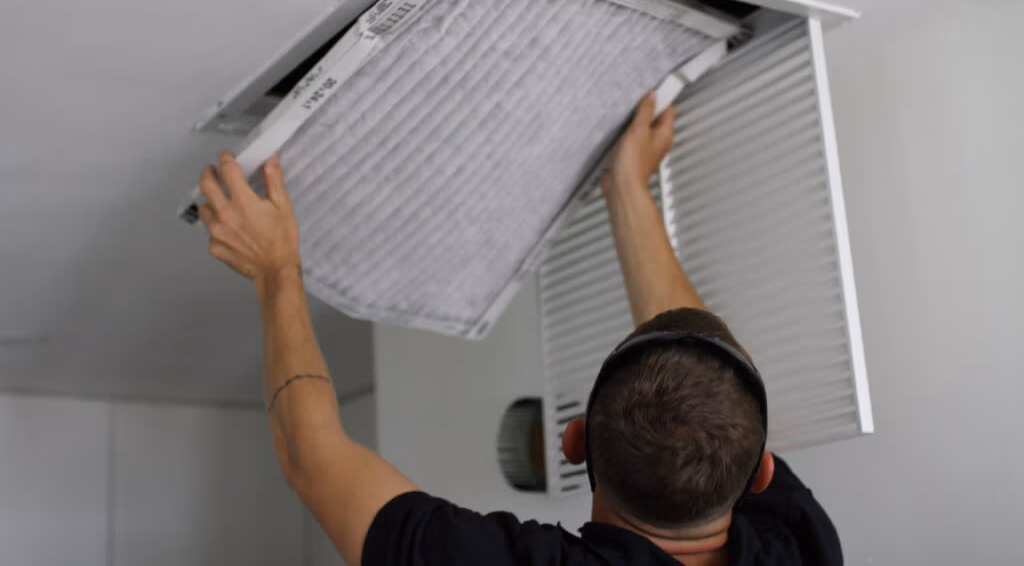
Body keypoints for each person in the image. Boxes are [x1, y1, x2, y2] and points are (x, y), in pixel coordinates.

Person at [197, 91, 843, 566]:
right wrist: (628, 190)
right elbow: (693, 387)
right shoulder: (798, 548)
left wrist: (275, 267)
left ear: (573, 440)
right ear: (760, 473)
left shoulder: (811, 548)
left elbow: (313, 457)